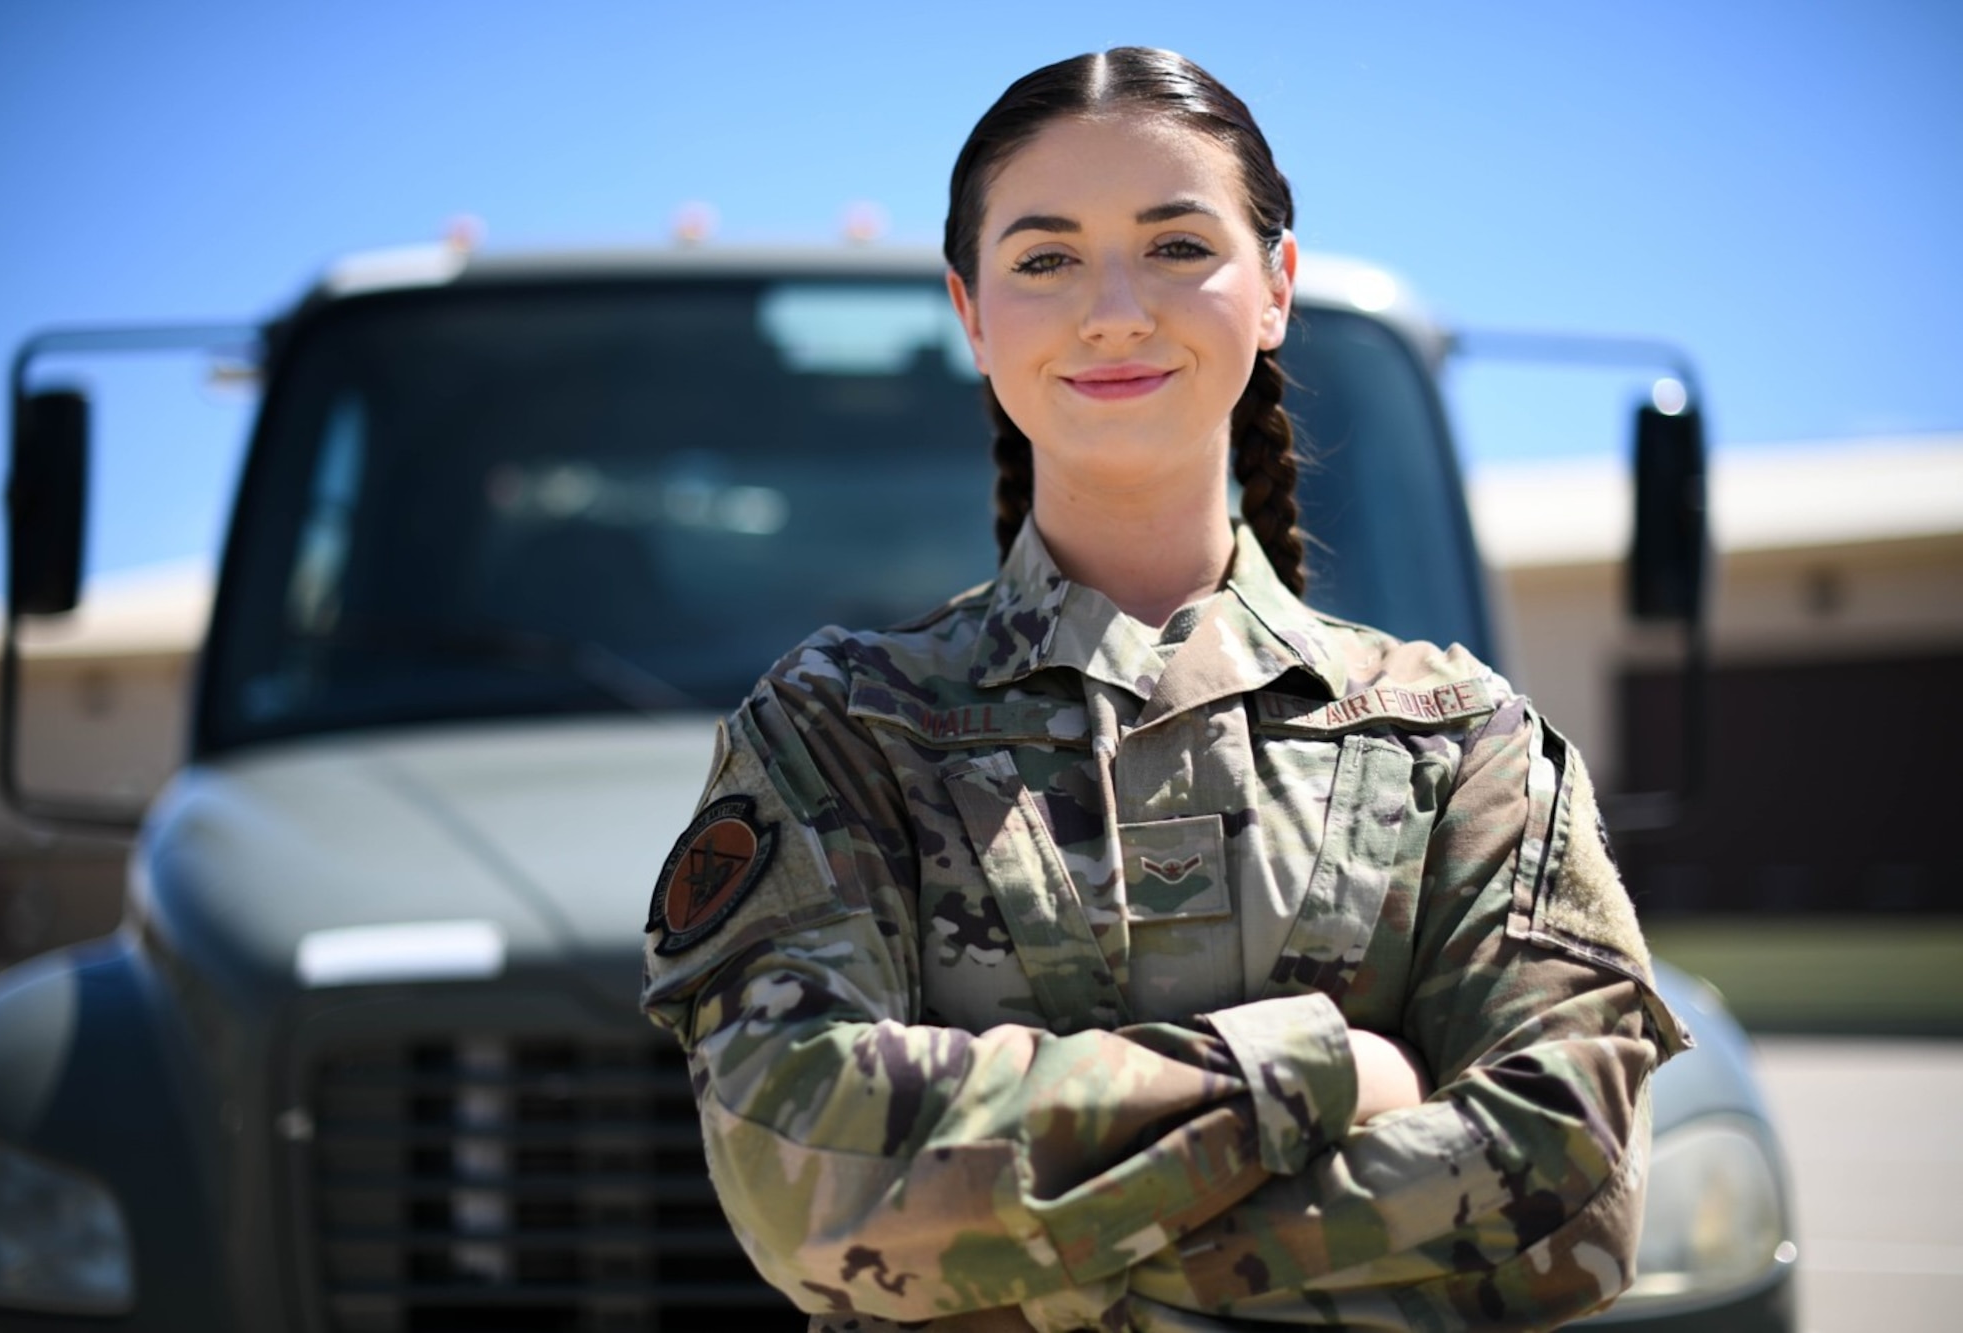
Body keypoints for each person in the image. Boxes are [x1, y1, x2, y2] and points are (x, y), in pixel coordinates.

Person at [642, 46, 1687, 1332]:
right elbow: (802, 1174)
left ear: (1274, 287)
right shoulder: (838, 733)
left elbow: (1569, 1197)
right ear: (972, 316)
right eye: (1044, 259)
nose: (1115, 310)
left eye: (1178, 244)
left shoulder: (1459, 743)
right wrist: (1325, 1072)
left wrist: (1008, 1256)